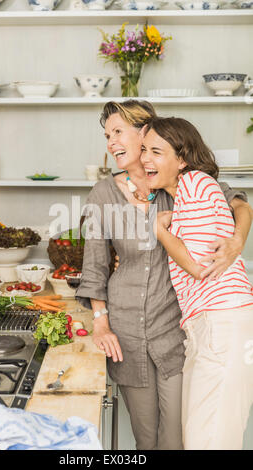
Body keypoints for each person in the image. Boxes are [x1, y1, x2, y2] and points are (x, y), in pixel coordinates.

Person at [75, 100, 253, 450]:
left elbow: (239, 204)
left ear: (144, 134)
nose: (110, 143)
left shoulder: (180, 182)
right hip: (126, 334)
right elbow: (95, 264)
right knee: (146, 439)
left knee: (182, 436)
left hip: (176, 331)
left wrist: (236, 241)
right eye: (107, 135)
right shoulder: (103, 193)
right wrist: (101, 321)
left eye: (118, 132)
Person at [140, 116, 253, 450]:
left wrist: (157, 229)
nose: (146, 158)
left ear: (182, 159)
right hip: (209, 324)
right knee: (201, 437)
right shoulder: (185, 195)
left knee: (209, 441)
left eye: (156, 151)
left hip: (222, 322)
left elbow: (196, 267)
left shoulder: (197, 184)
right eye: (144, 149)